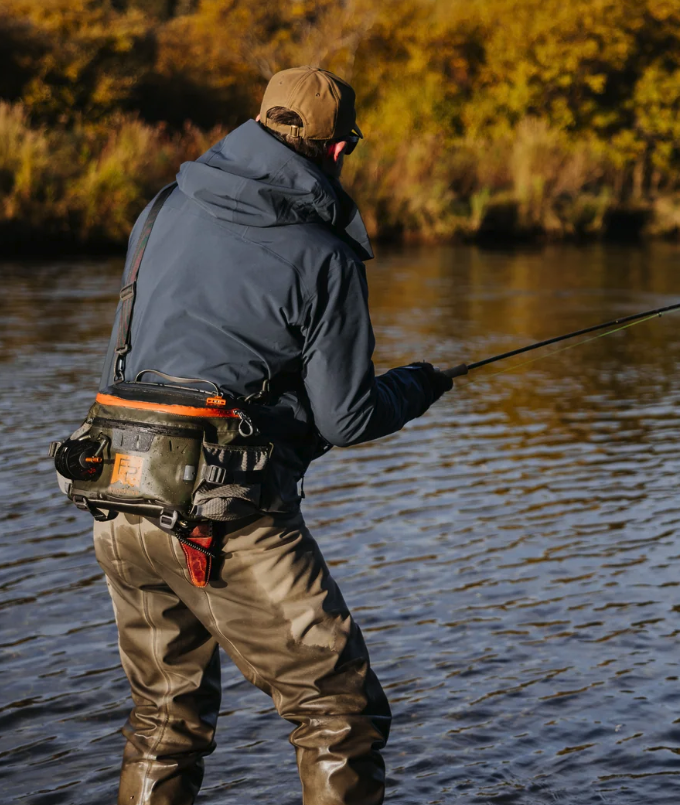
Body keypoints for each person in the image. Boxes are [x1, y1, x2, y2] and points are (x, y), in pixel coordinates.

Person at [90, 66, 451, 805]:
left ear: (257, 123)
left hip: (117, 487)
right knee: (338, 713)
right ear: (338, 150)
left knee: (165, 716)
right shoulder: (325, 254)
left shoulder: (160, 209)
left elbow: (137, 364)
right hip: (224, 512)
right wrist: (419, 384)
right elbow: (345, 419)